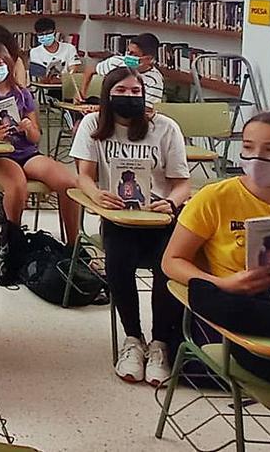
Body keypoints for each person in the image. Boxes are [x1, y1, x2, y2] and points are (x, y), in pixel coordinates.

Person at [163, 111, 270, 397]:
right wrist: (222, 284)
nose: (256, 157)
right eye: (247, 147)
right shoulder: (215, 197)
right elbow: (171, 262)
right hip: (247, 316)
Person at [71, 67, 191, 385]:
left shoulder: (165, 128)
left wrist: (173, 203)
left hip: (161, 218)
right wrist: (97, 194)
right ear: (108, 95)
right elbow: (84, 175)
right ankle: (133, 339)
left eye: (135, 91)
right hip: (119, 218)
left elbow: (182, 184)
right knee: (118, 263)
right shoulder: (93, 124)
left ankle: (161, 343)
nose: (129, 97)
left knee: (168, 267)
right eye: (120, 92)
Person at [0, 43, 81, 263]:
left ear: (9, 64)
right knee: (17, 184)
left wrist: (28, 127)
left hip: (26, 152)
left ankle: (73, 246)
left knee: (68, 182)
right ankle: (12, 240)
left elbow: (36, 137)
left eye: (0, 63)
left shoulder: (22, 93)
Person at [80, 32, 164, 107]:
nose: (128, 56)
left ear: (148, 59)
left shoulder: (155, 80)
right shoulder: (116, 62)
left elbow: (146, 110)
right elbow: (90, 69)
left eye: (133, 54)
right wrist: (82, 93)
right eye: (128, 51)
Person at [29, 17, 81, 81]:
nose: (45, 36)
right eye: (41, 34)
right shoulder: (35, 52)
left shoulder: (69, 48)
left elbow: (74, 68)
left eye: (48, 33)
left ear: (54, 32)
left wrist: (64, 78)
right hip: (46, 87)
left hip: (65, 85)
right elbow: (39, 75)